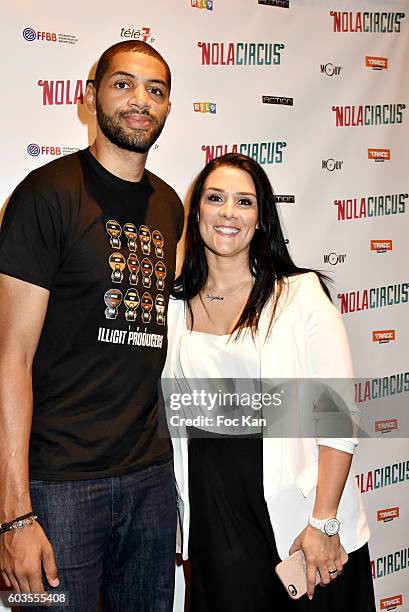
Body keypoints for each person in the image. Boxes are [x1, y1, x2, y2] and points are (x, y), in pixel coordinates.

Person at [0, 40, 184, 612]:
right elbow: (11, 359)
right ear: (90, 96)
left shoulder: (171, 206)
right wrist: (13, 516)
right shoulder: (45, 195)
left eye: (155, 90)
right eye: (123, 84)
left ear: (167, 108)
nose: (140, 102)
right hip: (57, 489)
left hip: (151, 481)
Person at [162, 153, 376, 611]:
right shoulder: (174, 306)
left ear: (261, 219)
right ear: (196, 211)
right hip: (212, 511)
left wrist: (324, 522)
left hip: (296, 514)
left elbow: (337, 416)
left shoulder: (299, 294)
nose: (228, 213)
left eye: (245, 202)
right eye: (215, 198)